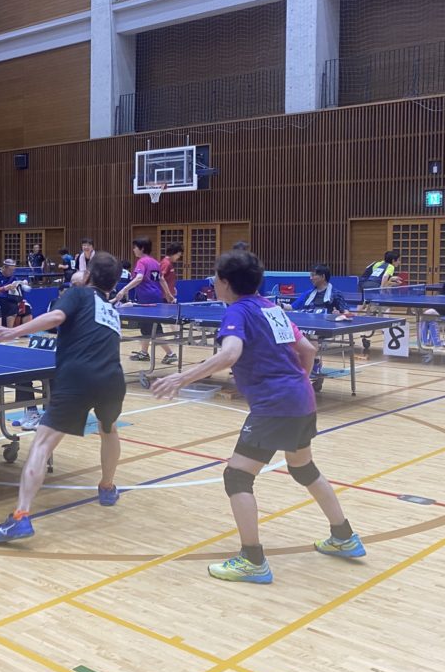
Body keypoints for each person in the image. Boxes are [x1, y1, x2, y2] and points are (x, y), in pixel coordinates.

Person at [151, 250, 365, 583]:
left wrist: (181, 377)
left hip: (275, 405)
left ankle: (252, 560)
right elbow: (307, 350)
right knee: (303, 468)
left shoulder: (237, 311)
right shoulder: (271, 308)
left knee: (237, 477)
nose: (214, 282)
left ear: (225, 282)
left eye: (215, 277)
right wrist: (298, 381)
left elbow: (230, 354)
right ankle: (344, 537)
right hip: (302, 398)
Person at [0, 252, 125, 544]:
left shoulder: (79, 293)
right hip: (112, 379)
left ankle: (21, 517)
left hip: (78, 377)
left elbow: (56, 317)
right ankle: (107, 487)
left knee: (43, 443)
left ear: (88, 276)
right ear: (113, 284)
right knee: (109, 429)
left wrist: (14, 331)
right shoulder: (111, 309)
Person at [114, 237, 178, 365]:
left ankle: (170, 354)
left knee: (153, 328)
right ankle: (144, 353)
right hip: (156, 298)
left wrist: (124, 290)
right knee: (147, 326)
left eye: (135, 247)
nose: (133, 250)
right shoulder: (155, 262)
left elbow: (139, 278)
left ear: (142, 248)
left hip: (146, 300)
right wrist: (168, 294)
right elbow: (161, 280)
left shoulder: (142, 262)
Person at [0, 259, 27, 328]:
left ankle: (24, 331)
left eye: (13, 270)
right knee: (12, 306)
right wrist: (4, 288)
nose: (12, 272)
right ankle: (9, 330)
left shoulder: (13, 277)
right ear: (4, 268)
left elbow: (18, 289)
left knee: (27, 306)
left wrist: (23, 283)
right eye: (10, 270)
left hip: (10, 298)